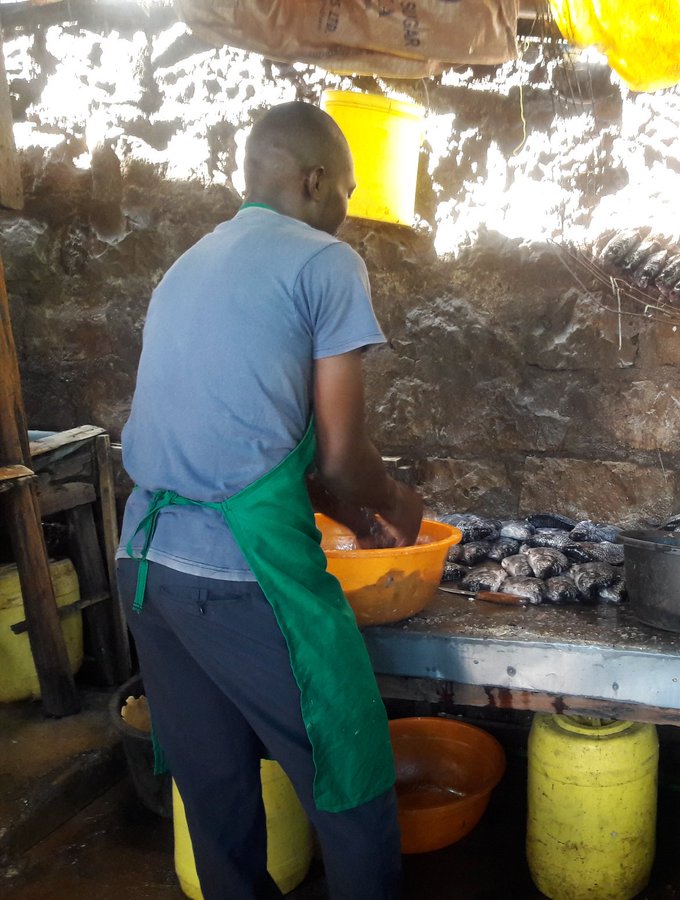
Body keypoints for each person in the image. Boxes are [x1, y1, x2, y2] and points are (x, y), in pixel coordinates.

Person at [115, 101, 423, 900]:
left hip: (146, 563)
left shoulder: (189, 262)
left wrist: (349, 508)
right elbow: (342, 453)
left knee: (213, 791)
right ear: (316, 179)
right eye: (349, 195)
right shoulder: (324, 262)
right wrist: (393, 506)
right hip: (241, 573)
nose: (347, 215)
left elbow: (245, 431)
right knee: (349, 771)